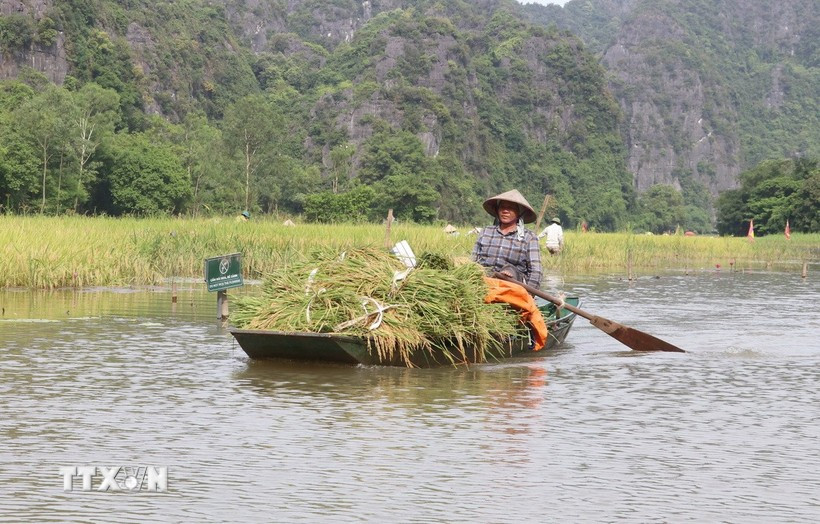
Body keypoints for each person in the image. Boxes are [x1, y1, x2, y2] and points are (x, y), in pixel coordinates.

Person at [471, 189, 542, 289]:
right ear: (497, 210)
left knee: (509, 270)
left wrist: (528, 295)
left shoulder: (529, 238)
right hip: (484, 284)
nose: (505, 211)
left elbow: (536, 272)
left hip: (512, 287)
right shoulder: (485, 232)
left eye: (510, 208)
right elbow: (473, 261)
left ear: (519, 213)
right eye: (502, 207)